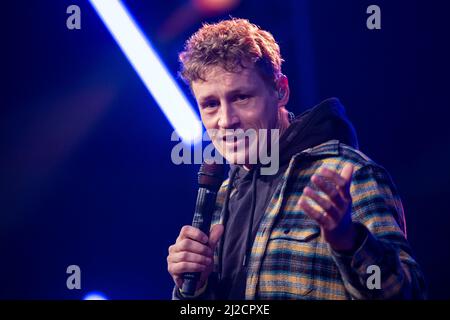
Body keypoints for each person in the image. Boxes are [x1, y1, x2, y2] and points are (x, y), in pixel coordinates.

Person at [167, 18, 426, 299]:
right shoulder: (223, 193)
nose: (226, 120)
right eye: (210, 104)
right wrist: (193, 289)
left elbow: (409, 294)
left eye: (241, 97)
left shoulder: (347, 173)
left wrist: (350, 242)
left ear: (281, 90)